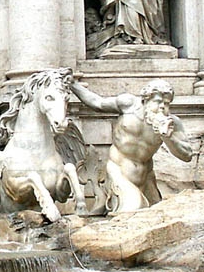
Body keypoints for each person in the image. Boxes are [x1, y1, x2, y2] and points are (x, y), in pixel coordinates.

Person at [70, 78, 192, 212]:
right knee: (134, 207)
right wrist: (73, 84)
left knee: (156, 214)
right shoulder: (128, 105)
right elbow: (97, 103)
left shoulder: (172, 123)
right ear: (146, 99)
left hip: (146, 178)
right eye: (157, 101)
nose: (162, 106)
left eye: (167, 103)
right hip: (119, 171)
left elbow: (187, 155)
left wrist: (168, 138)